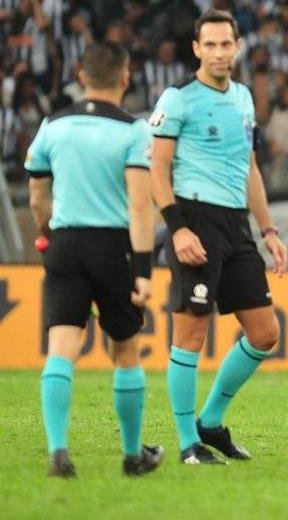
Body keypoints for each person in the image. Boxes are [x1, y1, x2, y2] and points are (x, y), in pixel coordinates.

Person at [149, 9, 288, 465]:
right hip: (194, 219)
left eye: (225, 44)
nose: (219, 52)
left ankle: (211, 421)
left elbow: (250, 169)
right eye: (209, 44)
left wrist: (267, 229)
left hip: (236, 226)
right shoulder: (178, 98)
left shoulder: (244, 98)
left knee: (266, 333)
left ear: (237, 46)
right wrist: (178, 227)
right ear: (196, 49)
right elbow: (157, 170)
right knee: (191, 334)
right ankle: (189, 442)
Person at [25, 41, 165, 477]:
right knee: (124, 349)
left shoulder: (53, 126)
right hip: (113, 248)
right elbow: (141, 207)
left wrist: (46, 233)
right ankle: (131, 455)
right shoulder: (133, 131)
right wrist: (143, 270)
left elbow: (36, 195)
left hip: (64, 245)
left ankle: (58, 453)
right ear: (126, 78)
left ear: (81, 76)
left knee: (61, 348)